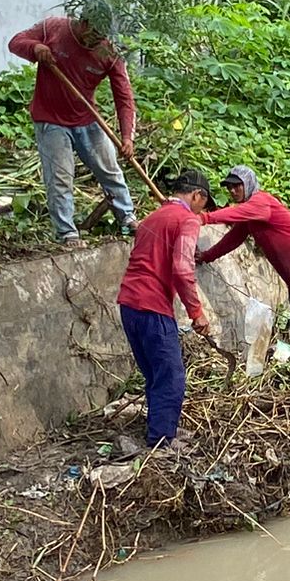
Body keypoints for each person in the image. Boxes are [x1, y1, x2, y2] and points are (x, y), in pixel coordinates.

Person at [7, 0, 138, 249]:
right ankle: (67, 233)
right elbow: (15, 42)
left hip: (87, 120)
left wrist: (127, 137)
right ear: (83, 23)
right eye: (95, 34)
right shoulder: (54, 28)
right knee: (60, 176)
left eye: (103, 35)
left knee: (110, 170)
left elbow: (124, 98)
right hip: (51, 120)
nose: (98, 41)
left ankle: (127, 218)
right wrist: (36, 48)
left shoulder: (109, 52)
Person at [197, 166, 290, 379]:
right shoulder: (250, 217)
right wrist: (206, 256)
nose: (233, 191)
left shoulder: (261, 202)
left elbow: (235, 213)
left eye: (237, 186)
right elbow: (231, 241)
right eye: (230, 187)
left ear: (249, 184)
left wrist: (204, 218)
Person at [116, 168, 213, 449]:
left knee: (155, 374)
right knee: (171, 376)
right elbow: (183, 270)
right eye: (204, 203)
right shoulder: (187, 220)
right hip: (153, 305)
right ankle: (160, 440)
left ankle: (164, 427)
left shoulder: (152, 217)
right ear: (197, 196)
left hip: (129, 303)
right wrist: (197, 312)